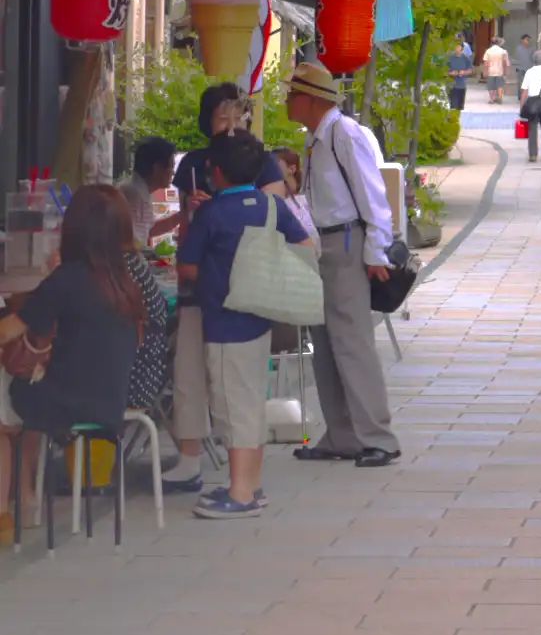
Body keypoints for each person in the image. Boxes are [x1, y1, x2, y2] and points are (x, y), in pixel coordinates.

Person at [177, 130, 313, 518]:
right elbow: (304, 247)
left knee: (231, 408)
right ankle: (251, 484)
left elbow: (187, 266)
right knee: (252, 401)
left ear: (215, 172)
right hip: (260, 318)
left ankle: (239, 493)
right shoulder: (271, 206)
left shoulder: (212, 212)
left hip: (223, 322)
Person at [0, 187, 146, 537]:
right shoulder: (125, 282)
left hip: (64, 405)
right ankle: (27, 498)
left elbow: (7, 331)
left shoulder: (66, 281)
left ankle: (6, 509)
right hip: (109, 405)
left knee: (8, 400)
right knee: (19, 397)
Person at [164, 82, 286, 494]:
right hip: (200, 285)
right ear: (207, 120)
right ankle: (189, 457)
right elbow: (185, 227)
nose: (232, 124)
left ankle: (243, 482)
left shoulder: (260, 161)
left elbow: (274, 213)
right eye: (222, 116)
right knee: (189, 371)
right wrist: (195, 210)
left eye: (239, 115)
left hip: (242, 291)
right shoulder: (195, 164)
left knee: (239, 388)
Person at [284, 63, 401, 468]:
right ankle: (342, 434)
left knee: (352, 343)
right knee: (326, 345)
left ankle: (377, 437)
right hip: (323, 244)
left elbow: (372, 195)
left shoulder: (343, 133)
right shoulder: (316, 138)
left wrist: (375, 250)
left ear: (310, 99)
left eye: (291, 94)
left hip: (347, 241)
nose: (286, 101)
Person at [119, 136, 181, 248]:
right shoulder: (133, 194)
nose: (173, 172)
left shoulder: (139, 191)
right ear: (157, 168)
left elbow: (149, 229)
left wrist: (181, 216)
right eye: (171, 166)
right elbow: (132, 244)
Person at [483, 36, 510, 105]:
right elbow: (505, 62)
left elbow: (486, 63)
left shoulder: (488, 51)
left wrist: (485, 72)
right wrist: (505, 71)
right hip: (500, 71)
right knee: (500, 85)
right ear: (498, 43)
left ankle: (491, 99)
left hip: (491, 71)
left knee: (491, 86)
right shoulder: (503, 51)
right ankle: (500, 98)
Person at [447, 39, 473, 112]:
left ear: (462, 48)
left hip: (462, 85)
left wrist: (463, 72)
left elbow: (470, 70)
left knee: (460, 107)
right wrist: (452, 73)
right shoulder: (449, 58)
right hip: (451, 85)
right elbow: (444, 70)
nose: (457, 48)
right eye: (455, 46)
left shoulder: (466, 58)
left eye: (458, 46)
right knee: (453, 105)